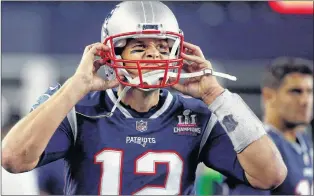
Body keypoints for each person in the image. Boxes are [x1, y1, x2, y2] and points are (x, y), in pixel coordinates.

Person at [2, 1, 287, 195]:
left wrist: (216, 95)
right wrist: (76, 87)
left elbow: (271, 175)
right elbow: (13, 159)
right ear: (113, 54)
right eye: (139, 47)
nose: (154, 55)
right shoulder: (79, 107)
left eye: (163, 48)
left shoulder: (198, 114)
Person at [224, 57, 313, 195]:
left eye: (309, 91)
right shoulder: (256, 148)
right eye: (296, 91)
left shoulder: (303, 141)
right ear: (268, 95)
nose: (305, 101)